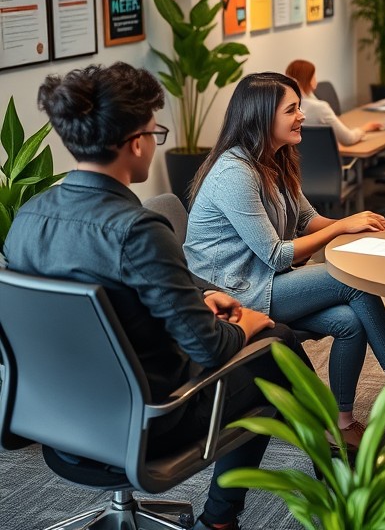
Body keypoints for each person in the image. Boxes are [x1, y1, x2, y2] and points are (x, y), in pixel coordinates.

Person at [2, 62, 309, 530]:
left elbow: (99, 303)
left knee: (264, 336)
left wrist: (196, 297)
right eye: (154, 130)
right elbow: (208, 347)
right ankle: (225, 515)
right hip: (149, 421)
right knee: (277, 344)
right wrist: (247, 320)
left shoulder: (29, 217)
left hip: (55, 419)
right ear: (137, 143)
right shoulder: (138, 229)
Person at [184, 72, 385, 451]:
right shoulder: (235, 172)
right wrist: (340, 228)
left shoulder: (274, 158)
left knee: (350, 322)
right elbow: (277, 254)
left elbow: (306, 219)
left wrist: (357, 227)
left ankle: (341, 421)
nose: (302, 116)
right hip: (236, 294)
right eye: (292, 109)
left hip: (264, 282)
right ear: (262, 117)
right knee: (350, 281)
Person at [284, 59, 381, 146]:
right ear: (308, 80)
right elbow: (348, 139)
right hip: (328, 160)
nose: (316, 79)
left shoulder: (284, 108)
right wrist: (365, 128)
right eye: (314, 76)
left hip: (298, 163)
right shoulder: (320, 108)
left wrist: (299, 89)